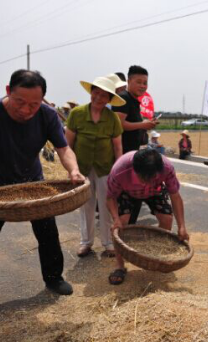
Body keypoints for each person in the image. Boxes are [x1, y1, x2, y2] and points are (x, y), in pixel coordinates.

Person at [0, 70, 85, 314]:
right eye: (20, 101)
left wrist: (74, 171)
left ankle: (53, 277)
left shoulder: (48, 115)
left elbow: (64, 149)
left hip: (33, 182)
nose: (27, 109)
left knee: (47, 232)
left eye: (34, 104)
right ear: (8, 91)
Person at [106, 149, 190, 285]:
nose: (147, 182)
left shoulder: (166, 168)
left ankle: (156, 257)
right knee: (120, 224)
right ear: (135, 170)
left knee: (167, 219)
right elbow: (110, 198)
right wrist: (115, 219)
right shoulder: (120, 171)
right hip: (127, 191)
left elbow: (175, 196)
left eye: (153, 178)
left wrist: (182, 226)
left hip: (155, 191)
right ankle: (119, 265)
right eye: (144, 179)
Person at [66, 76, 125, 259]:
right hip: (82, 167)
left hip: (105, 167)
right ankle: (86, 242)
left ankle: (108, 242)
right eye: (96, 93)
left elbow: (117, 146)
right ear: (91, 92)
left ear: (109, 99)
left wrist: (118, 171)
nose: (99, 98)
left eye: (104, 95)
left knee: (107, 204)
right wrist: (71, 169)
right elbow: (68, 143)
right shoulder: (77, 114)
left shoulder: (112, 118)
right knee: (86, 205)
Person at [111, 66, 159, 154]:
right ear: (128, 81)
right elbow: (119, 124)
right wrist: (142, 125)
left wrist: (146, 123)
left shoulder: (134, 100)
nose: (142, 86)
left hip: (131, 152)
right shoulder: (124, 97)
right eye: (138, 82)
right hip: (121, 153)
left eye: (145, 83)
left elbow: (131, 122)